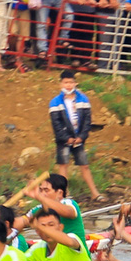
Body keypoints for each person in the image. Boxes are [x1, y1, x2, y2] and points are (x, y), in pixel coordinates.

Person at [48, 69, 100, 202]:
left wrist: (82, 136)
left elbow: (87, 120)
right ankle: (64, 194)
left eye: (71, 82)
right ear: (60, 84)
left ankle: (95, 193)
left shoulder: (83, 99)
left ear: (75, 83)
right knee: (63, 166)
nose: (68, 85)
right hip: (64, 139)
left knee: (85, 165)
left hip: (79, 138)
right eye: (66, 83)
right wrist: (66, 138)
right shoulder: (55, 102)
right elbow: (56, 124)